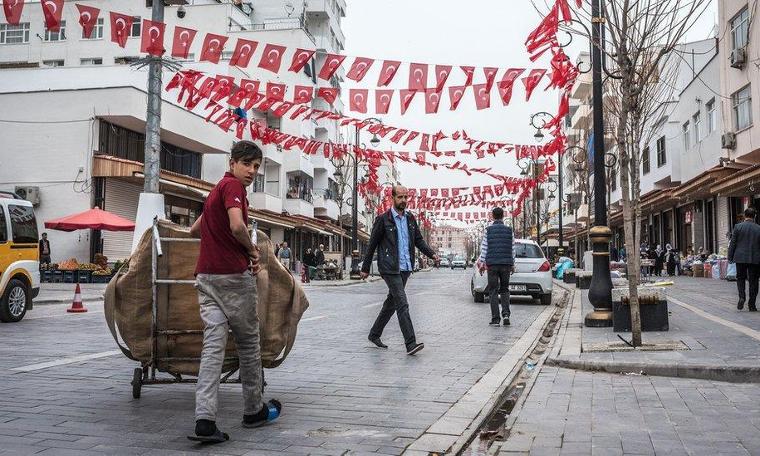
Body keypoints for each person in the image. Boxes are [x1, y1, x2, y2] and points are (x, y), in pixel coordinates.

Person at [188, 141, 281, 443]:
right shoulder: (233, 189)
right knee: (248, 343)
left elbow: (194, 230)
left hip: (205, 277)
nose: (252, 171)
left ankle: (205, 419)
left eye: (256, 166)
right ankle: (254, 410)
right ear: (232, 163)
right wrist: (252, 251)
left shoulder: (215, 191)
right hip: (232, 279)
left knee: (212, 349)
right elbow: (238, 226)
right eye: (247, 164)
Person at [360, 184, 439, 355]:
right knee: (402, 303)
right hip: (390, 267)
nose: (403, 200)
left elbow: (418, 240)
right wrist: (365, 267)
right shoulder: (383, 219)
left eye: (406, 197)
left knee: (391, 303)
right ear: (392, 198)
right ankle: (410, 343)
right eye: (400, 197)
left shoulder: (410, 219)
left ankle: (374, 334)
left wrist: (432, 254)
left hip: (405, 267)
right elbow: (372, 244)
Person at [477, 207, 515, 326]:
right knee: (505, 289)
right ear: (503, 216)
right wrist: (512, 263)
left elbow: (484, 248)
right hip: (506, 265)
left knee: (493, 291)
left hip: (492, 264)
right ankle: (506, 314)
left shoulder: (488, 230)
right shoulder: (509, 230)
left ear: (492, 216)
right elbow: (512, 248)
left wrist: (482, 263)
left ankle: (495, 319)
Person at [728, 207, 760, 311]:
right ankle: (752, 304)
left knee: (740, 278)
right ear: (754, 216)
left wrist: (730, 257)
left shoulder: (738, 227)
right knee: (753, 281)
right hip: (755, 258)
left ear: (744, 216)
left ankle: (742, 297)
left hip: (740, 257)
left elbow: (733, 243)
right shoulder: (758, 228)